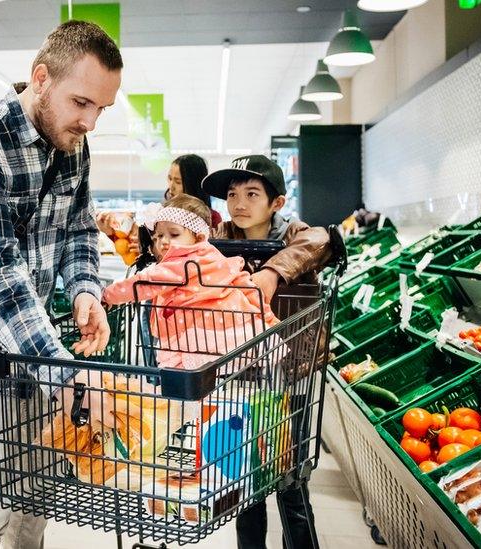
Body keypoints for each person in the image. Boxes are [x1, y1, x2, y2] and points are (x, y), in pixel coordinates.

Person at [0, 20, 122, 548]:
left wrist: (85, 288)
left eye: (101, 109)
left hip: (33, 358)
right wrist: (65, 376)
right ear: (41, 78)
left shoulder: (73, 145)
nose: (90, 121)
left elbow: (79, 229)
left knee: (32, 507)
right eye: (81, 102)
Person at [201, 154, 331, 549]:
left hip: (291, 374)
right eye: (232, 194)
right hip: (241, 378)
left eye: (252, 193)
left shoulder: (296, 234)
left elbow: (323, 240)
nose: (239, 203)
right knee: (247, 484)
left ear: (276, 203)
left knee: (291, 480)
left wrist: (271, 273)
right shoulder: (218, 238)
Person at [102, 194, 278, 371]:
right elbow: (246, 286)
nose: (163, 241)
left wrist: (107, 295)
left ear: (199, 238)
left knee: (182, 387)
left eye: (174, 234)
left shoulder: (182, 265)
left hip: (196, 339)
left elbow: (143, 283)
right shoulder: (214, 256)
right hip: (235, 333)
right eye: (159, 235)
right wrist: (268, 319)